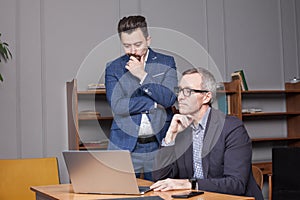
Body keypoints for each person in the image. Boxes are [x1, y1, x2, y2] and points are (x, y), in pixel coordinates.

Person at [150, 67, 263, 200]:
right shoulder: (181, 129)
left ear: (206, 97)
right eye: (179, 91)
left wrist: (189, 184)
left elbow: (236, 184)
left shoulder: (231, 127)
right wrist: (170, 136)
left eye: (187, 91)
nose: (180, 97)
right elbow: (160, 177)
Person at [105, 15, 177, 181]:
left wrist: (142, 75)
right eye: (127, 45)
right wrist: (153, 103)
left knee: (162, 195)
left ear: (148, 40)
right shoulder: (113, 67)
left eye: (138, 44)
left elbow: (168, 99)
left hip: (159, 144)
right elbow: (117, 106)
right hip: (124, 144)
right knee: (120, 194)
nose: (132, 51)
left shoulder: (167, 62)